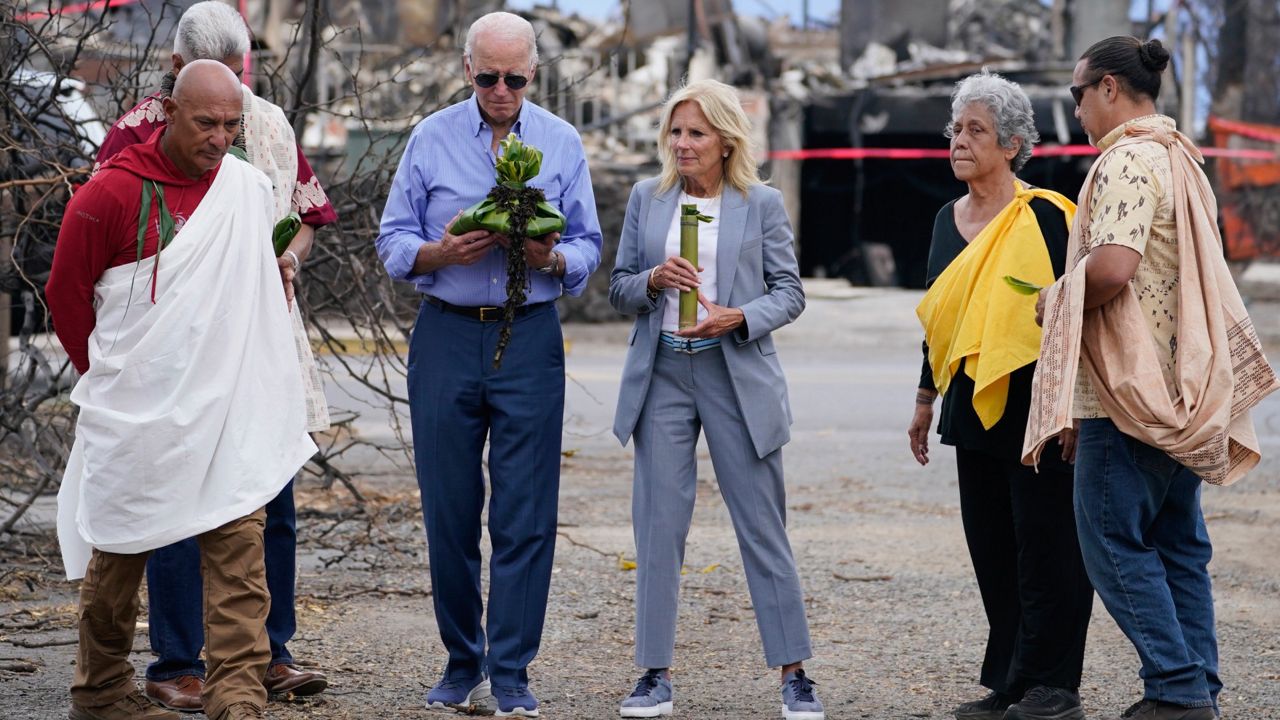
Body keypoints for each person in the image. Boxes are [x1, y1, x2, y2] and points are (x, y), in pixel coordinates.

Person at [47, 60, 316, 720]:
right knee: (116, 557)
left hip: (225, 409)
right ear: (168, 112)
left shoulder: (248, 190)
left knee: (238, 564)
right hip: (135, 411)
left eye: (230, 126)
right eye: (205, 123)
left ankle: (239, 701)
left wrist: (275, 264)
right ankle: (102, 692)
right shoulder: (108, 195)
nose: (219, 138)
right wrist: (112, 377)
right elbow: (66, 295)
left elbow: (251, 292)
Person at [1026, 37, 1280, 720]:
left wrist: (1054, 299)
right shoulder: (1179, 156)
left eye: (1079, 94)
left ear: (1109, 87)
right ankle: (1199, 690)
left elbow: (1113, 268)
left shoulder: (1129, 160)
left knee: (1112, 545)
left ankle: (1175, 690)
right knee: (1178, 548)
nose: (1076, 110)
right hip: (1182, 389)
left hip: (1132, 399)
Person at [375, 11, 602, 718]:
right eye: (487, 77)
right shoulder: (430, 138)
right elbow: (391, 240)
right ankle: (459, 659)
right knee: (449, 508)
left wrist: (553, 257)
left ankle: (511, 670)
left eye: (514, 78)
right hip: (445, 333)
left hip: (528, 332)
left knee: (526, 512)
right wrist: (438, 255)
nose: (501, 90)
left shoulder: (561, 143)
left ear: (533, 74)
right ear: (465, 71)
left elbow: (591, 244)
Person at [608, 78, 823, 720]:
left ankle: (794, 674)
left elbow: (790, 291)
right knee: (658, 529)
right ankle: (654, 675)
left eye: (696, 132)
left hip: (735, 376)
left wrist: (740, 316)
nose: (682, 143)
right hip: (664, 375)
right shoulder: (648, 199)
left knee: (762, 527)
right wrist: (650, 279)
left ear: (726, 140)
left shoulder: (760, 203)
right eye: (675, 131)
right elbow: (619, 287)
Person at [909, 71, 1093, 720]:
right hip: (968, 402)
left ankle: (1056, 686)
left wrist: (1073, 406)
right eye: (956, 129)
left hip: (1037, 406)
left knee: (1047, 544)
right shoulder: (943, 219)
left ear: (1013, 145)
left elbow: (1075, 315)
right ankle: (1012, 681)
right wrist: (925, 398)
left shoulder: (1047, 216)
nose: (959, 140)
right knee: (991, 546)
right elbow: (940, 316)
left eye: (975, 130)